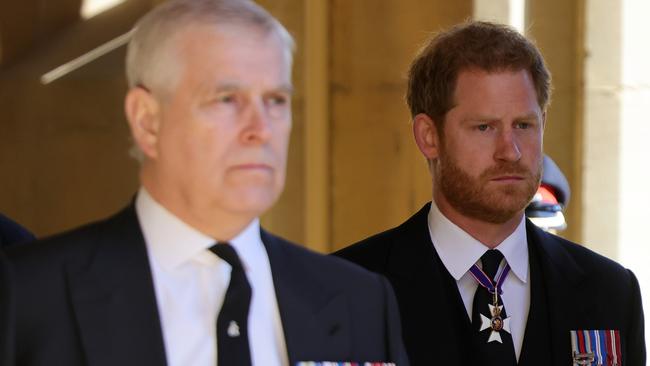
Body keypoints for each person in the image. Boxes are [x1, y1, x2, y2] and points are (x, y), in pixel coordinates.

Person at [2, 1, 408, 365]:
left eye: (275, 101)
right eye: (226, 99)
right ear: (147, 120)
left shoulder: (361, 300)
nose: (260, 129)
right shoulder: (28, 294)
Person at [334, 21, 645, 366]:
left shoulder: (610, 293)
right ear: (428, 136)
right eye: (484, 127)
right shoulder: (343, 292)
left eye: (523, 126)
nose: (510, 151)